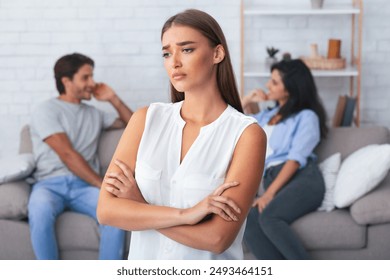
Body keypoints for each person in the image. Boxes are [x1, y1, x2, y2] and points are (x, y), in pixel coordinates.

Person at [97, 9, 266, 260]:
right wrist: (186, 215)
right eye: (167, 53)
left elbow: (217, 238)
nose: (174, 62)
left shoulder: (246, 134)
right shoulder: (145, 120)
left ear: (217, 53)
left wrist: (140, 207)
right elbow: (107, 211)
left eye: (186, 49)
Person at [28, 53, 133, 260]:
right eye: (85, 78)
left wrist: (113, 98)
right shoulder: (45, 110)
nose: (92, 83)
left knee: (114, 213)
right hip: (50, 184)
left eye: (92, 76)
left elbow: (135, 126)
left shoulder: (95, 114)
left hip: (83, 187)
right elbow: (67, 154)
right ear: (66, 81)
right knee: (39, 210)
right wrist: (101, 184)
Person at [242, 58, 327, 259]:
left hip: (302, 179)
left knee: (270, 217)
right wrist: (246, 101)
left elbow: (295, 159)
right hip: (274, 178)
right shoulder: (266, 116)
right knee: (248, 220)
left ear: (290, 88)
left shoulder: (306, 117)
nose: (267, 86)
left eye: (274, 82)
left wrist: (268, 194)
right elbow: (232, 127)